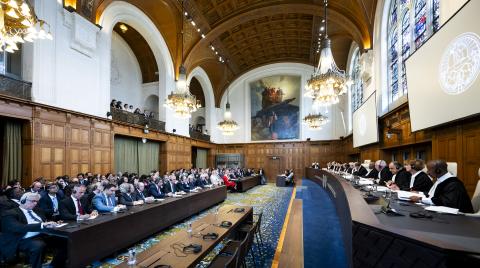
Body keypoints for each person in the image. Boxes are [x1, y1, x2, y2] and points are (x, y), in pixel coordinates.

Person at [0, 192, 66, 267]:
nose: (35, 203)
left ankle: (54, 264)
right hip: (21, 238)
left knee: (65, 241)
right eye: (33, 201)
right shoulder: (10, 213)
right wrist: (42, 225)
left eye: (37, 201)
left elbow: (44, 221)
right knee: (38, 245)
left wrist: (53, 223)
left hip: (42, 235)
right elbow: (18, 227)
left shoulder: (38, 210)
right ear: (23, 201)